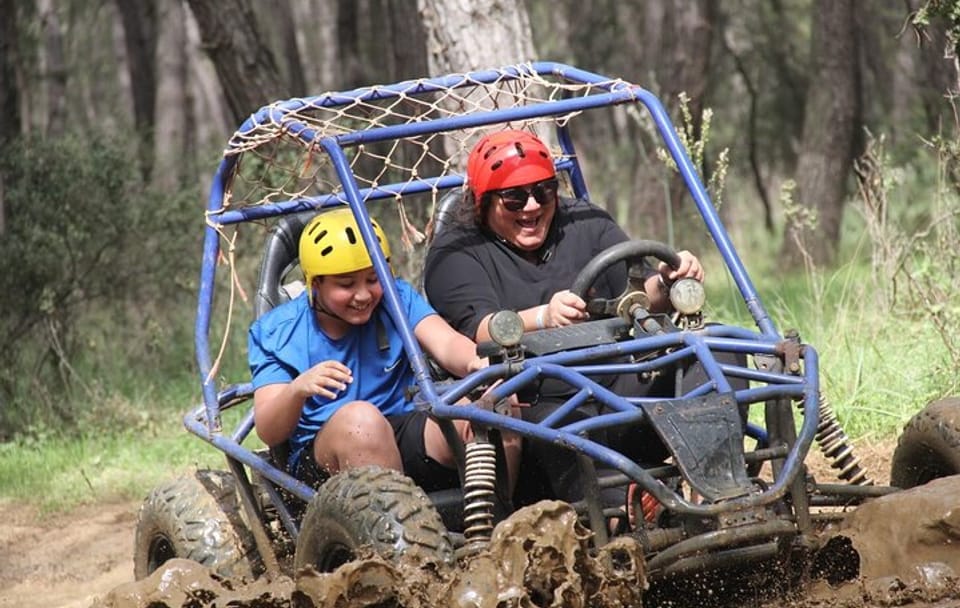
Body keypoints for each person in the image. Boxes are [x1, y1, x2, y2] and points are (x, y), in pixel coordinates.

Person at [423, 129, 714, 508]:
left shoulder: (585, 222)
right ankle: (622, 516)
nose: (531, 207)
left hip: (620, 387)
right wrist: (544, 316)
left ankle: (726, 490)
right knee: (560, 420)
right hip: (538, 403)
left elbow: (641, 296)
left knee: (714, 356)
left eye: (543, 191)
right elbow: (478, 330)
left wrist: (669, 278)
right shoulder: (457, 252)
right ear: (483, 201)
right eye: (513, 197)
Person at [249, 207, 520, 495]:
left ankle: (500, 527)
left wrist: (478, 365)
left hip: (405, 425)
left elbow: (447, 343)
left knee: (494, 406)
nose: (364, 295)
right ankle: (402, 539)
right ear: (314, 284)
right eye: (346, 284)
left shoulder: (395, 298)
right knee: (363, 422)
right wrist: (297, 390)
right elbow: (269, 430)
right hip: (325, 453)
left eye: (373, 279)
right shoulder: (277, 331)